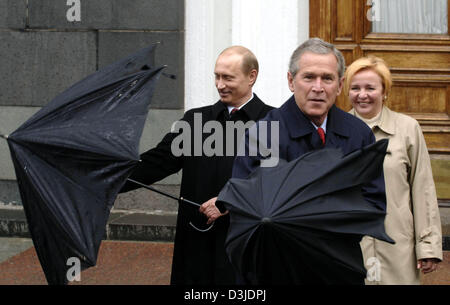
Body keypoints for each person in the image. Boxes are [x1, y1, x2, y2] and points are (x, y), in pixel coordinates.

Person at [231, 38, 387, 284]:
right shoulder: (263, 134)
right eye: (309, 77)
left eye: (327, 78)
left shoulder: (358, 134)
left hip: (337, 267)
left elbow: (374, 202)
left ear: (340, 85)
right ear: (291, 81)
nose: (318, 87)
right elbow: (244, 208)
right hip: (275, 270)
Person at [120, 46, 274, 285]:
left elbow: (276, 182)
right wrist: (104, 176)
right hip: (197, 244)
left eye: (228, 77)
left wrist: (229, 202)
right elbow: (155, 163)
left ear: (251, 76)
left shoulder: (272, 122)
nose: (220, 84)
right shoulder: (195, 121)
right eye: (217, 76)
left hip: (248, 244)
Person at [345, 55, 442, 284]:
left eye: (371, 88)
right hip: (350, 246)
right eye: (355, 88)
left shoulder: (408, 128)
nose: (362, 94)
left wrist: (428, 245)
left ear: (385, 91)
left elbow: (422, 187)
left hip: (398, 247)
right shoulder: (337, 129)